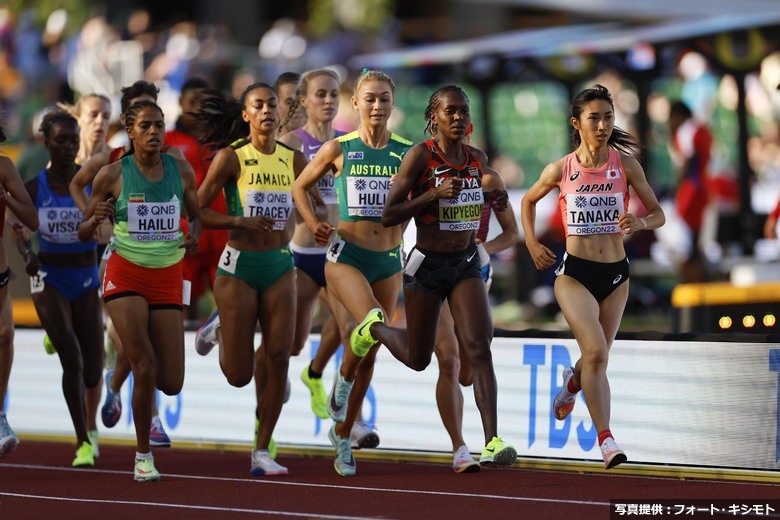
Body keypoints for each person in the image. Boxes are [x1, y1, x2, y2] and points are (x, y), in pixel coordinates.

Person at [356, 84, 517, 469]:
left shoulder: (477, 160)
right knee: (418, 358)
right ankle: (374, 329)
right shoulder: (419, 157)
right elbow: (389, 214)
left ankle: (492, 441)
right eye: (451, 112)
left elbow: (495, 197)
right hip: (425, 265)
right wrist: (432, 196)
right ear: (436, 118)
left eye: (464, 111)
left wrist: (497, 199)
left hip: (464, 264)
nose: (459, 118)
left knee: (479, 346)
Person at [521, 84, 665, 470]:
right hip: (575, 275)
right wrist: (533, 244)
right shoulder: (561, 169)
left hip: (617, 275)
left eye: (608, 117)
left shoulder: (626, 166)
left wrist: (640, 222)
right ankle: (606, 440)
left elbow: (658, 214)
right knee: (597, 354)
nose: (602, 125)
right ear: (576, 123)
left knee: (595, 357)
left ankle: (572, 384)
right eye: (593, 118)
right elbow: (528, 201)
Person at [292, 69, 412, 476]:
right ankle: (341, 382)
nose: (377, 106)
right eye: (370, 99)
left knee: (371, 354)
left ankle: (343, 436)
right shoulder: (338, 148)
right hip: (346, 255)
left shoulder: (407, 152)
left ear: (392, 104)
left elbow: (423, 203)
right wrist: (311, 221)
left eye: (384, 99)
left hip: (388, 260)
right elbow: (299, 186)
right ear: (356, 104)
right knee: (372, 322)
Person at [77, 100, 200, 481]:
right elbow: (82, 231)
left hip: (167, 275)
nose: (154, 132)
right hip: (125, 275)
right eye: (146, 126)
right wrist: (94, 219)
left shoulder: (179, 169)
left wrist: (192, 234)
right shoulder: (113, 173)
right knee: (145, 367)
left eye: (159, 125)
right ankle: (143, 456)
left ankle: (119, 374)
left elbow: (194, 214)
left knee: (171, 381)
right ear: (130, 132)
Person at [194, 82, 313, 476]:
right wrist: (238, 220)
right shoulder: (231, 157)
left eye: (271, 104)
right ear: (245, 114)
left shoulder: (293, 160)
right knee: (239, 376)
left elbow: (310, 201)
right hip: (239, 268)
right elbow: (198, 209)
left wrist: (318, 221)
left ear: (280, 112)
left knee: (279, 357)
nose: (266, 110)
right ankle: (222, 331)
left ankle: (262, 450)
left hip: (280, 265)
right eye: (257, 105)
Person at [17, 110, 103, 467]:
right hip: (49, 277)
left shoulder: (92, 181)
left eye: (73, 140)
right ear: (46, 142)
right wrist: (27, 254)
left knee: (94, 370)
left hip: (85, 279)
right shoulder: (35, 186)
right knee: (73, 357)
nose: (68, 147)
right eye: (61, 140)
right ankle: (83, 440)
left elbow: (107, 221)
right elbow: (16, 225)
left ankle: (60, 328)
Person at [433, 159, 520, 473]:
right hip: (435, 271)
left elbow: (512, 233)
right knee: (448, 359)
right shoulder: (426, 169)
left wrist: (485, 249)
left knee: (468, 372)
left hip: (474, 271)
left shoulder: (488, 179)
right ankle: (460, 448)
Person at [164, 77, 228, 323]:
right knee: (183, 302)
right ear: (181, 102)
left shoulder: (222, 142)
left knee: (228, 300)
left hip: (220, 236)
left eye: (204, 103)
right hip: (184, 237)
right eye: (193, 102)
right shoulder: (167, 140)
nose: (199, 109)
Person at [0, 122, 40, 460]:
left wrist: (6, 199)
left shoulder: (4, 166)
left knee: (4, 336)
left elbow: (33, 217)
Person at [668, 100, 712, 283]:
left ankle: (690, 281)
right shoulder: (703, 129)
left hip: (691, 189)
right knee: (695, 240)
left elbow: (686, 161)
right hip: (704, 187)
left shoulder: (686, 130)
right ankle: (697, 279)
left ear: (678, 116)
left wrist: (677, 187)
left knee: (684, 242)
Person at [275, 72, 306, 137]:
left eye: (301, 101)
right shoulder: (265, 145)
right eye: (289, 103)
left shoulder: (325, 143)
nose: (297, 108)